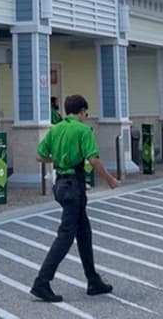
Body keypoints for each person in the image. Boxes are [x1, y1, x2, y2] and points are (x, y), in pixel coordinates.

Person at [30, 94, 119, 303]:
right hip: (74, 184)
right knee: (67, 234)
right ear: (81, 111)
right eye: (85, 113)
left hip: (61, 183)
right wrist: (110, 179)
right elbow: (93, 159)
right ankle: (42, 281)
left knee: (83, 231)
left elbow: (39, 155)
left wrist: (58, 159)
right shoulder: (82, 130)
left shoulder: (56, 129)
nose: (86, 116)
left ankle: (93, 279)